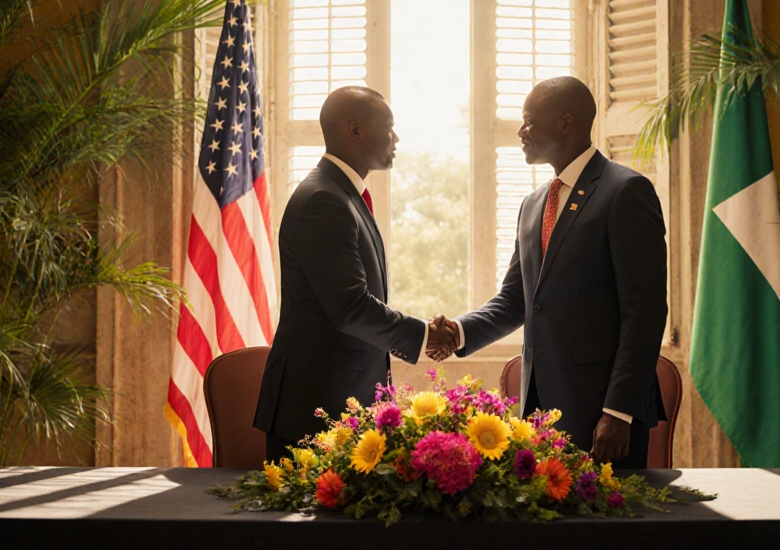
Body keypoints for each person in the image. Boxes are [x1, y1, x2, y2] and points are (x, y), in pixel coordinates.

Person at [434, 77, 668, 468]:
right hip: (540, 411)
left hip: (602, 415)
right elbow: (516, 300)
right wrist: (457, 332)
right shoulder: (533, 204)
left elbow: (644, 313)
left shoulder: (626, 192)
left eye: (529, 121)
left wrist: (618, 411)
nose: (521, 131)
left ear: (566, 122)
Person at [254, 86, 459, 462]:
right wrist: (425, 335)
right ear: (355, 130)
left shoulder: (342, 195)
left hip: (340, 401)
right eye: (389, 127)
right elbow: (350, 306)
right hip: (315, 408)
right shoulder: (324, 200)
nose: (396, 138)